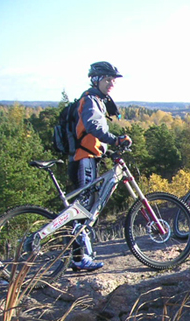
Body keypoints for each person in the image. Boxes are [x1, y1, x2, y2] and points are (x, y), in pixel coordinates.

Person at [67, 61, 132, 271]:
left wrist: (107, 149)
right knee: (81, 209)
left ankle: (80, 256)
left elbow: (92, 134)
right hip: (83, 160)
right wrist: (115, 139)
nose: (111, 82)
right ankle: (79, 258)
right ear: (96, 79)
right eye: (107, 78)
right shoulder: (90, 100)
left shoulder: (97, 100)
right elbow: (93, 126)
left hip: (88, 158)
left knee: (83, 208)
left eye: (113, 79)